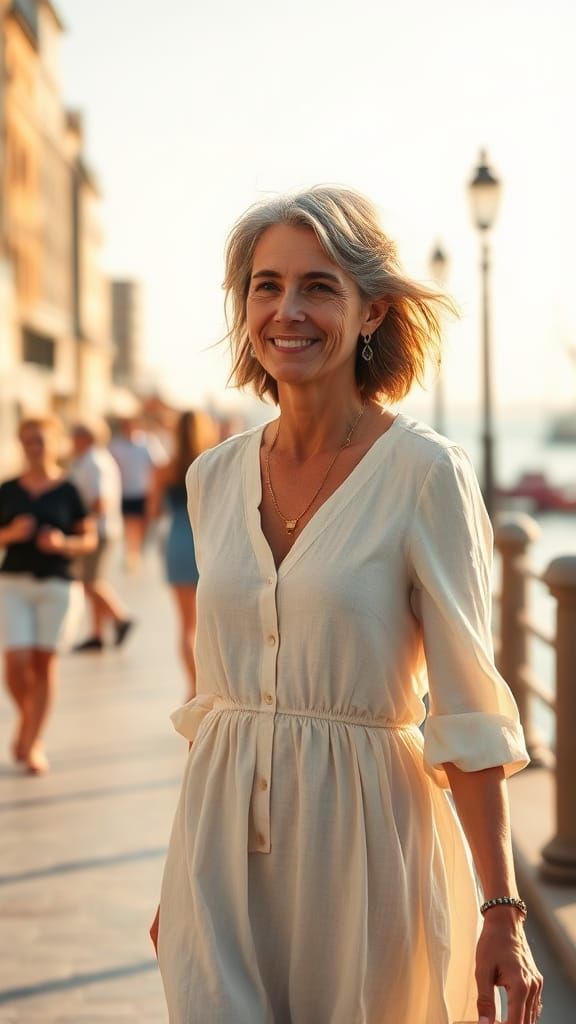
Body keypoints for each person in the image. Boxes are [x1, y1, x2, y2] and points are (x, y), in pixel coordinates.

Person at [152, 187, 543, 1024]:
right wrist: (179, 873)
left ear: (372, 312)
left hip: (366, 848)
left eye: (319, 286)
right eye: (266, 285)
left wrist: (502, 912)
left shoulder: (422, 473)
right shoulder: (212, 478)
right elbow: (216, 699)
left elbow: (470, 708)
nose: (287, 310)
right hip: (218, 848)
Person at [0, 416, 96, 774]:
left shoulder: (69, 489)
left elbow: (89, 539)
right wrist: (10, 534)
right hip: (13, 584)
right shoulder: (8, 489)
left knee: (44, 663)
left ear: (53, 444)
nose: (33, 447)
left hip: (57, 584)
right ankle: (29, 722)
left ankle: (33, 741)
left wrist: (62, 543)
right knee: (15, 663)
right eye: (26, 441)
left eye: (39, 440)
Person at [147, 410, 217, 701]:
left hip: (178, 539)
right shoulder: (215, 464)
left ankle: (194, 685)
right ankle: (210, 684)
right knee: (213, 622)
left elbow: (153, 512)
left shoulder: (165, 468)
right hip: (211, 540)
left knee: (187, 624)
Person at [69, 420, 134, 651]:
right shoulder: (88, 460)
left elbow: (100, 500)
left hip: (99, 531)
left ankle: (120, 617)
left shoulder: (94, 462)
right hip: (100, 529)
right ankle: (97, 633)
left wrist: (83, 522)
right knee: (92, 580)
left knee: (90, 581)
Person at [109, 418, 157, 570]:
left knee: (140, 525)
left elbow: (157, 465)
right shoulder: (116, 445)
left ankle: (135, 552)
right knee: (129, 524)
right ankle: (131, 554)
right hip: (124, 491)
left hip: (142, 490)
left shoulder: (147, 443)